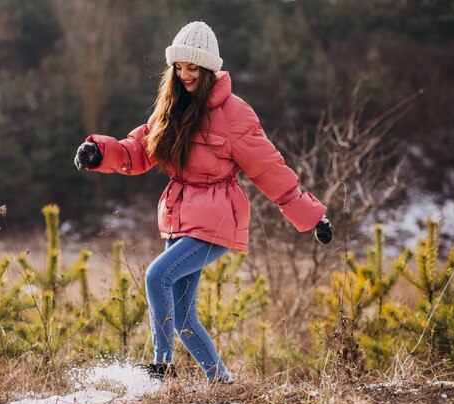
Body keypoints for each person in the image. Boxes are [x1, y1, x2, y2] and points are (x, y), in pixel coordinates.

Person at [74, 21, 333, 383]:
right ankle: (221, 382)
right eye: (178, 68)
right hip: (178, 215)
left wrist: (312, 216)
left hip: (217, 218)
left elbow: (269, 169)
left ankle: (161, 367)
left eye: (192, 68)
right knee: (183, 317)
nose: (184, 75)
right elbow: (137, 152)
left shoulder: (235, 114)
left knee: (156, 275)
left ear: (209, 69)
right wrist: (99, 151)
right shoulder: (171, 108)